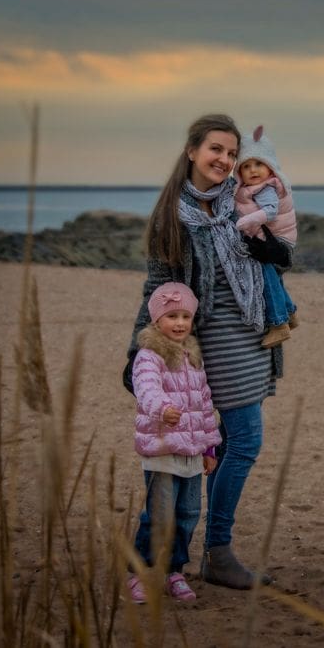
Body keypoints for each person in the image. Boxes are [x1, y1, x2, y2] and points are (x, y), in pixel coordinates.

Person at [123, 113, 292, 590]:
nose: (225, 159)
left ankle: (206, 553)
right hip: (212, 340)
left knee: (223, 445)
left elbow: (282, 254)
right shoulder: (173, 217)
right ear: (192, 151)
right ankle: (216, 551)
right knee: (245, 441)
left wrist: (274, 252)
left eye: (233, 153)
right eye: (216, 149)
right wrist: (139, 352)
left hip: (255, 332)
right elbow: (156, 289)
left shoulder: (244, 201)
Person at [128, 281, 222, 604]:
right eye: (172, 316)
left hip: (193, 455)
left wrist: (210, 447)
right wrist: (162, 409)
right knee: (160, 515)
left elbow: (205, 404)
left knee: (187, 514)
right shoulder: (149, 355)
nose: (180, 323)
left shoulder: (194, 357)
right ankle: (139, 573)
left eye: (185, 316)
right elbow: (146, 388)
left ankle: (174, 572)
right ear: (157, 321)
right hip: (163, 449)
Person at [234, 125, 299, 348]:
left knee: (265, 272)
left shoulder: (266, 187)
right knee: (274, 275)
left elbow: (269, 211)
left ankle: (279, 323)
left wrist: (244, 223)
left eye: (259, 164)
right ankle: (289, 312)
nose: (253, 170)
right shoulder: (252, 188)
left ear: (270, 166)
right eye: (246, 166)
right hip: (276, 238)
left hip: (279, 241)